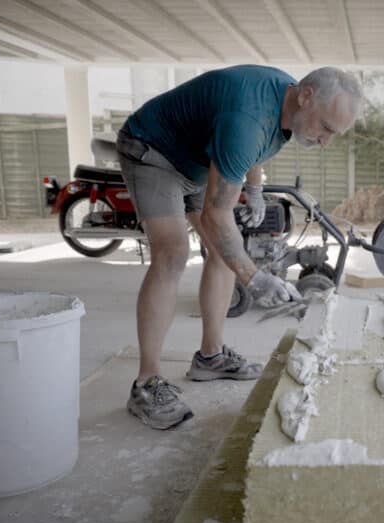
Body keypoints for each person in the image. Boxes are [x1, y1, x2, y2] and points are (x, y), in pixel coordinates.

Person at [115, 65, 363, 430]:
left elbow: (254, 148)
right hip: (153, 149)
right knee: (173, 253)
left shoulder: (284, 102)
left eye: (333, 134)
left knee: (221, 253)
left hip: (197, 157)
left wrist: (256, 188)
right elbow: (218, 213)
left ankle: (210, 357)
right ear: (306, 96)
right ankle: (146, 384)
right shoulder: (245, 118)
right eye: (326, 128)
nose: (325, 142)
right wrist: (256, 279)